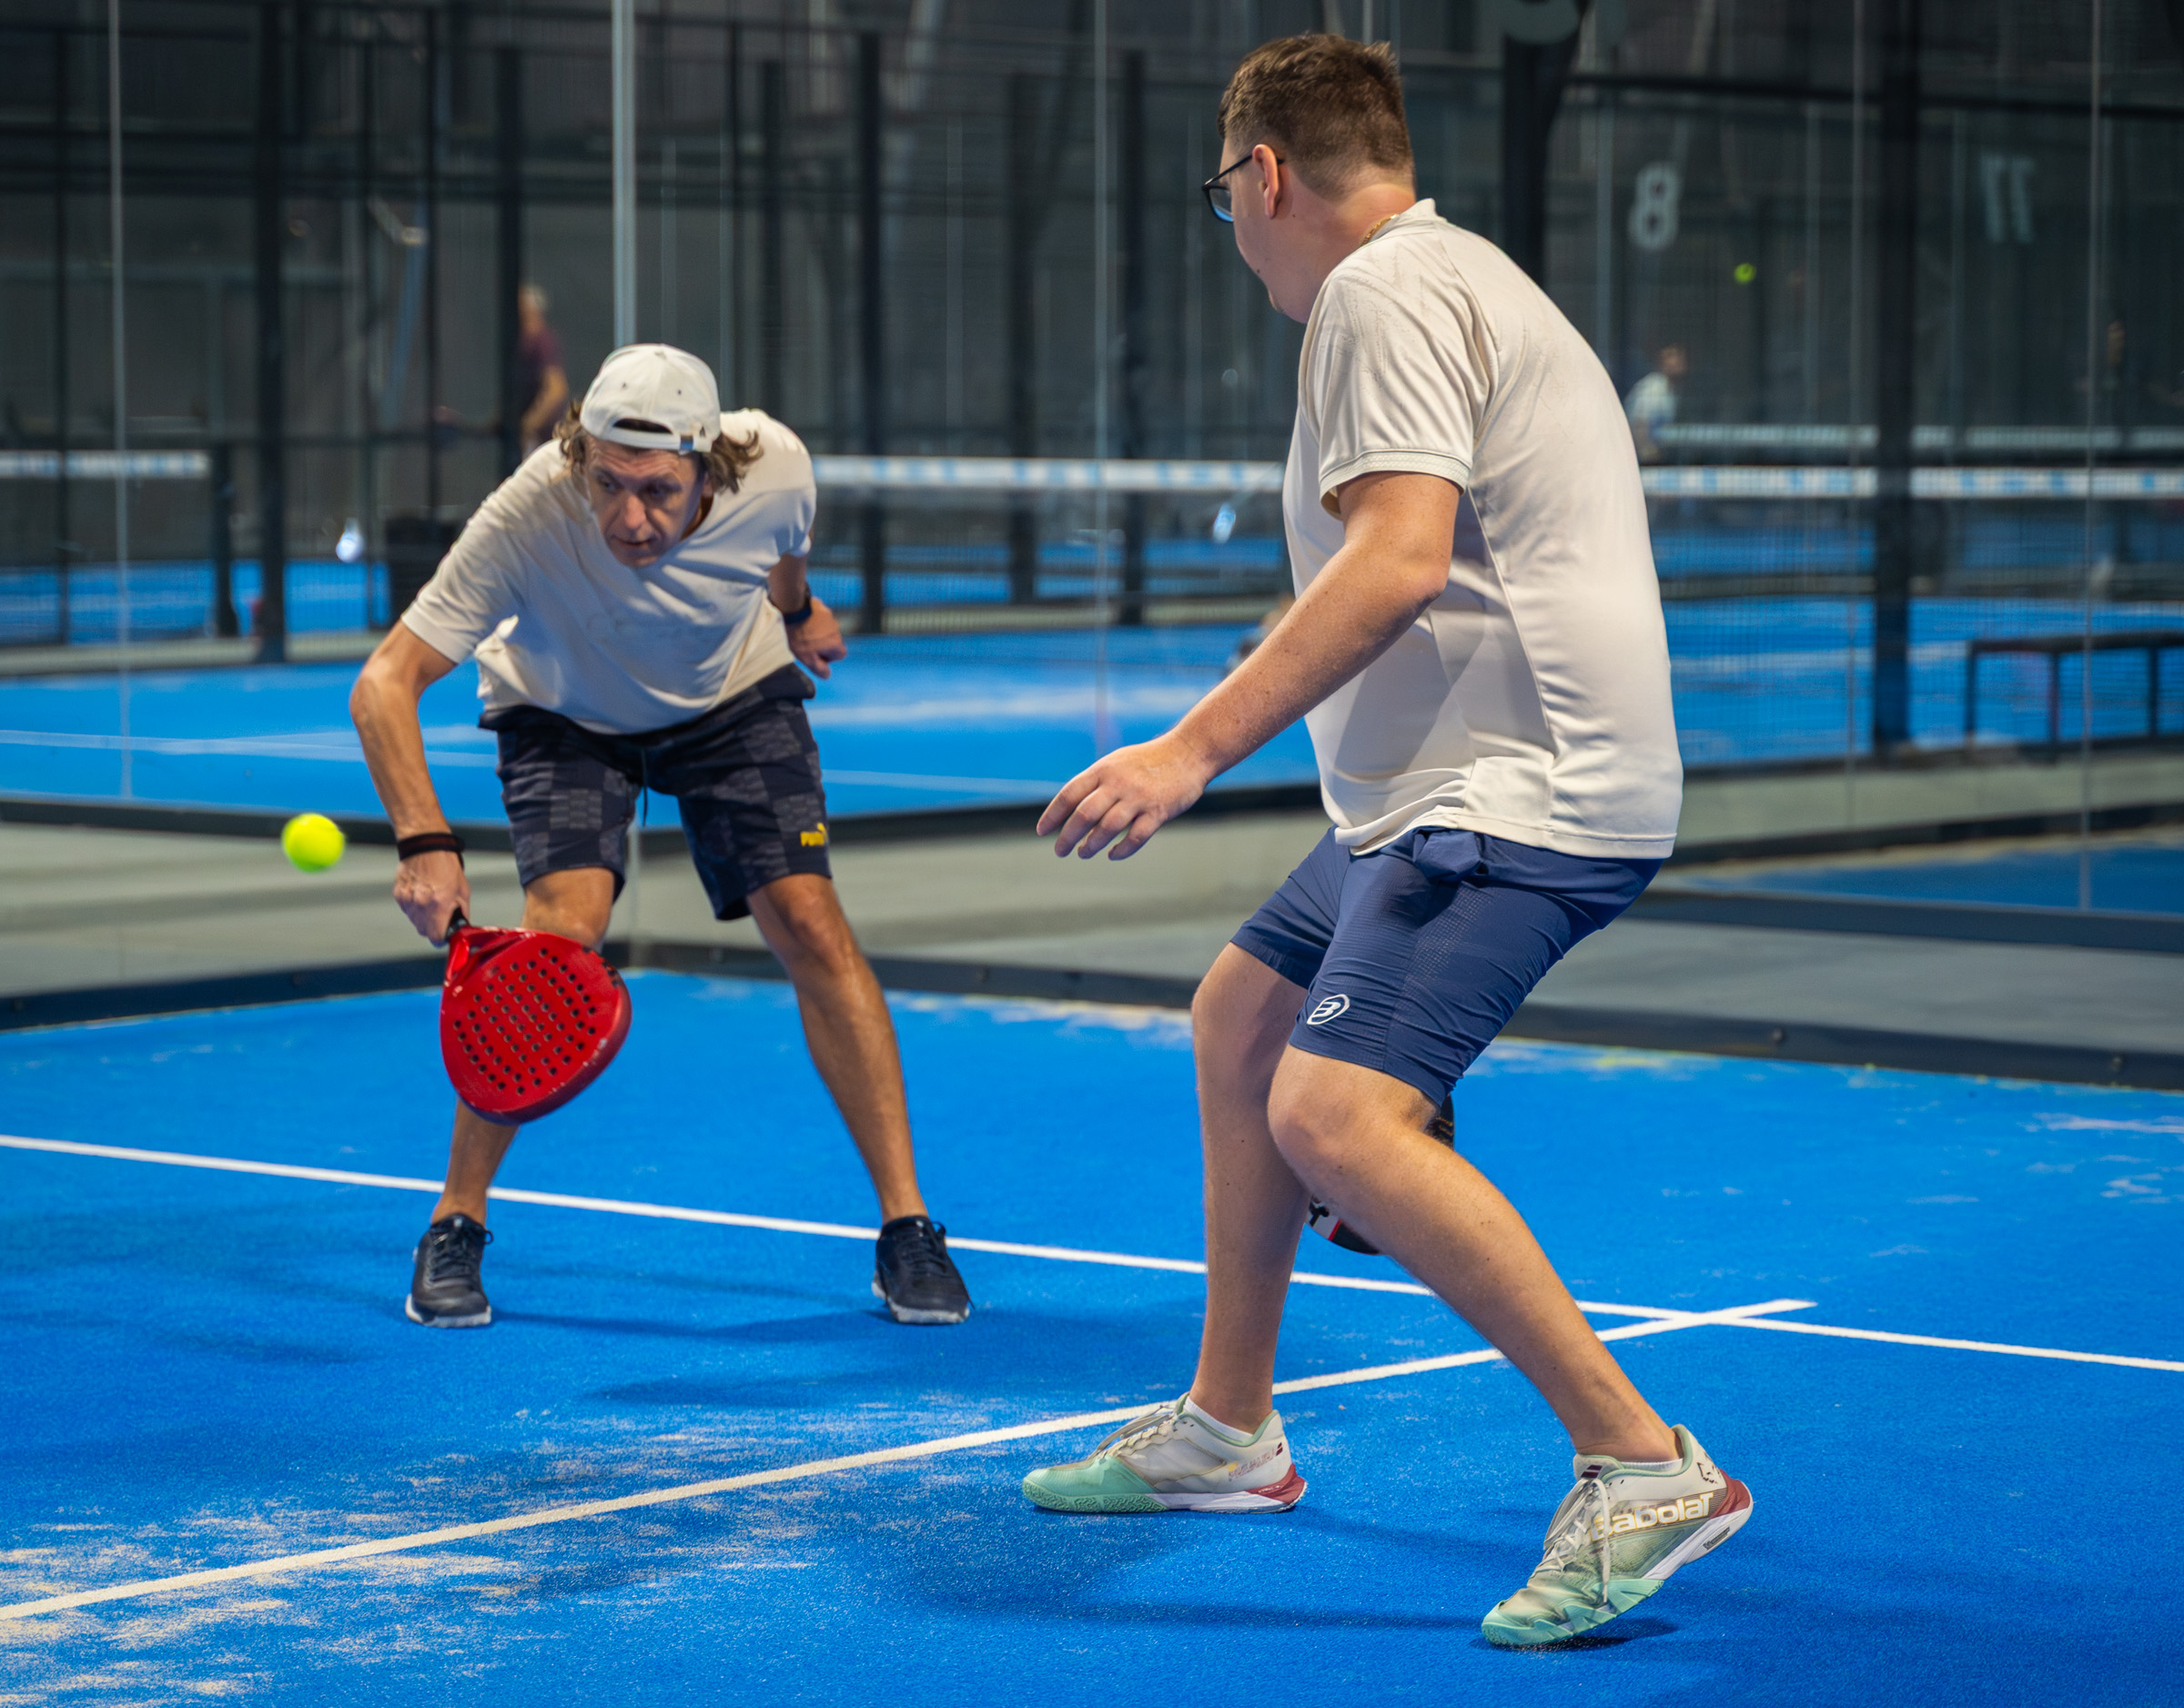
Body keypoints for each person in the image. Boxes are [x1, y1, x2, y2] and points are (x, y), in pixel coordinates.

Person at [1017, 36, 1744, 1649]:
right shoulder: (1451, 273)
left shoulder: (1380, 295)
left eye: (1228, 200)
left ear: (1265, 174)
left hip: (1514, 795)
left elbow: (1400, 558)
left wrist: (1187, 749)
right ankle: (1228, 1428)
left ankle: (1644, 1464)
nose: (1239, 229)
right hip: (1435, 788)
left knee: (1334, 1116)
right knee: (1243, 1015)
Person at [349, 343, 973, 1331]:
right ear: (578, 456)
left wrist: (798, 610)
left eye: (657, 490)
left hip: (729, 694)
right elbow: (384, 681)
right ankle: (454, 1221)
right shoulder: (526, 517)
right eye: (607, 483)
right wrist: (423, 839)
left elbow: (785, 543)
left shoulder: (775, 465)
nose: (628, 518)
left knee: (811, 920)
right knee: (557, 942)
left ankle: (909, 1227)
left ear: (709, 468)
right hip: (562, 712)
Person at [514, 285, 570, 457]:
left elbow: (556, 390)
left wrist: (528, 425)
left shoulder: (542, 342)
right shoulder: (523, 343)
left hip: (541, 442)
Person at [1623, 342, 1686, 462]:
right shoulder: (1652, 388)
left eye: (1678, 356)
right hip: (1642, 460)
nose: (1675, 361)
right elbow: (1639, 426)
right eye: (1670, 356)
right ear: (1661, 362)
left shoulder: (1672, 390)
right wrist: (1648, 457)